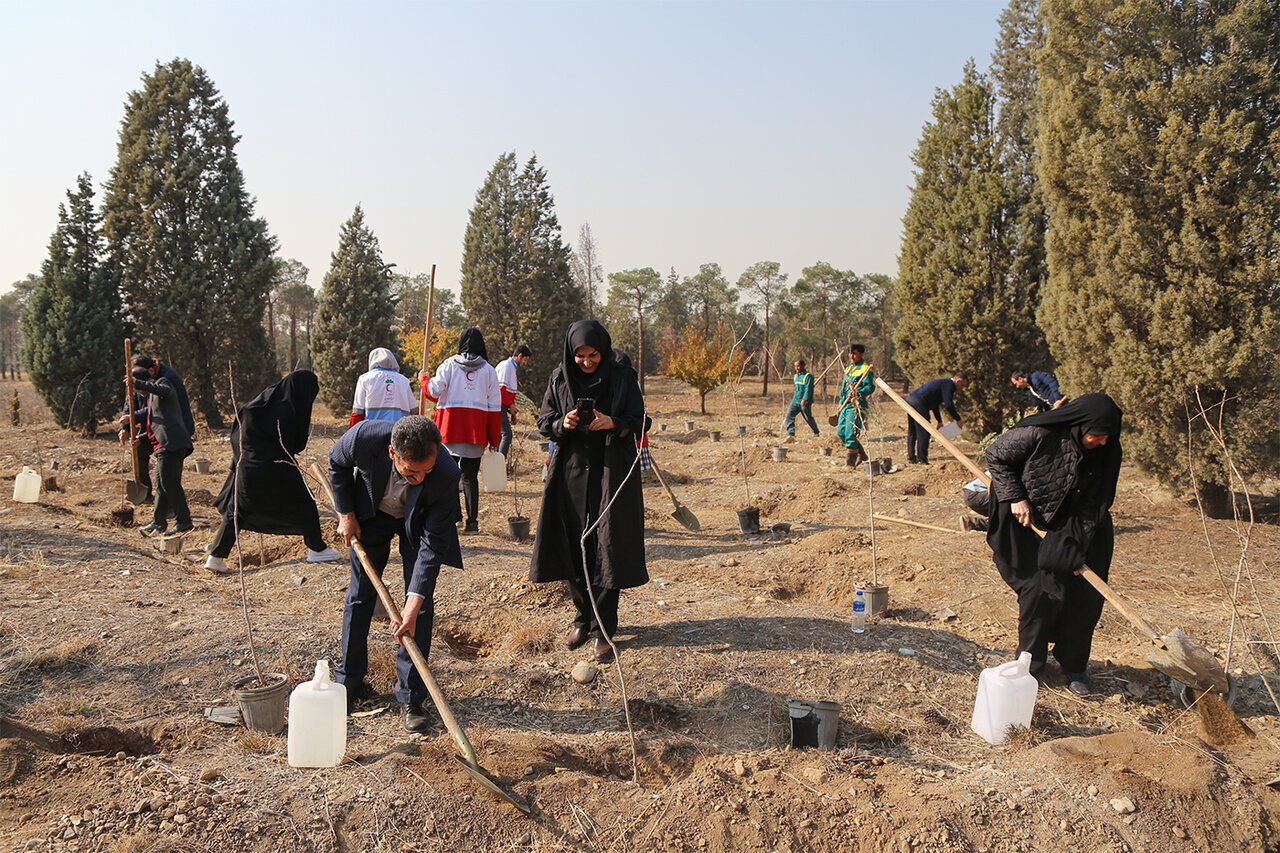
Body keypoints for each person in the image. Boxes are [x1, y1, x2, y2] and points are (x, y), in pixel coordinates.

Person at [328, 415, 463, 732]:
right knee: (360, 596)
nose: (421, 478)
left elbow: (432, 547)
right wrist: (346, 514)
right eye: (412, 472)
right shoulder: (364, 437)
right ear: (393, 454)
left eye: (426, 471)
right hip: (370, 516)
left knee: (421, 606)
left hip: (416, 526)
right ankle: (349, 682)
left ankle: (412, 696)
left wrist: (412, 606)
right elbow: (337, 463)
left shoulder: (444, 473)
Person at [984, 393, 1123, 696]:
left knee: (1085, 594)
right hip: (1029, 520)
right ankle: (1030, 666)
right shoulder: (1040, 432)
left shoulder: (1108, 448)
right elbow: (996, 455)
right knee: (1038, 591)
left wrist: (1076, 540)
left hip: (1081, 524)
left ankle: (1074, 666)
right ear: (1080, 425)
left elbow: (1098, 500)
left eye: (1107, 436)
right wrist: (1015, 497)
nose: (1102, 442)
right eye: (1096, 435)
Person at [530, 321, 648, 663]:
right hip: (570, 473)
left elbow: (641, 421)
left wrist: (614, 423)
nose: (586, 362)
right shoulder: (558, 378)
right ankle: (582, 618)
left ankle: (603, 630)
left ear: (604, 350)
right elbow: (543, 421)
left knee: (606, 547)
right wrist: (560, 424)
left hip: (611, 472)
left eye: (593, 355)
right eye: (579, 355)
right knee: (574, 546)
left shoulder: (623, 377)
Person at [204, 370, 341, 574]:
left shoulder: (254, 406)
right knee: (305, 505)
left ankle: (215, 558)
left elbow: (235, 437)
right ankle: (316, 548)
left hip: (247, 467)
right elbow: (297, 444)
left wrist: (242, 460)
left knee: (238, 511)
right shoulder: (291, 408)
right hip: (278, 466)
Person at [421, 328, 501, 534]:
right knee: (470, 478)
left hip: (449, 430)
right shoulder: (489, 371)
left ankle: (455, 517)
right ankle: (472, 523)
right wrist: (494, 438)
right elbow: (494, 408)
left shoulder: (448, 365)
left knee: (449, 477)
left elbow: (433, 392)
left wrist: (423, 379)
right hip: (475, 432)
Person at [132, 356, 196, 536]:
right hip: (163, 446)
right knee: (161, 485)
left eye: (140, 388)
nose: (140, 393)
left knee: (170, 484)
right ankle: (158, 522)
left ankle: (184, 521)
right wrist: (140, 439)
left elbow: (165, 390)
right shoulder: (152, 397)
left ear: (147, 380)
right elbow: (156, 427)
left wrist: (139, 383)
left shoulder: (164, 383)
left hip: (172, 444)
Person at [904, 373, 968, 465]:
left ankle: (911, 457)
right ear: (958, 381)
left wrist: (939, 421)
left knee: (913, 430)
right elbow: (948, 404)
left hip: (911, 400)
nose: (962, 388)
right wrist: (958, 419)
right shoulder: (949, 385)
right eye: (962, 385)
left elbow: (935, 403)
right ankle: (922, 459)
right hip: (919, 403)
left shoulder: (944, 383)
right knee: (924, 431)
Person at [117, 355, 154, 503]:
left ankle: (167, 499)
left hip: (159, 429)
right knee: (139, 454)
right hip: (145, 429)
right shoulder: (133, 388)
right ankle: (145, 493)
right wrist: (124, 427)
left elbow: (152, 410)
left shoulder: (156, 387)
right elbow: (129, 407)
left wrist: (132, 417)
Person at [349, 347, 415, 427]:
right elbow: (414, 411)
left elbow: (357, 412)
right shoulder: (403, 381)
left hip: (373, 430)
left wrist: (352, 435)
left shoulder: (365, 379)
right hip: (400, 430)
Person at [837, 345, 875, 466]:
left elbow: (870, 387)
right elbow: (843, 388)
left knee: (850, 434)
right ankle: (862, 455)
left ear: (861, 354)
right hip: (845, 405)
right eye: (850, 353)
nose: (851, 356)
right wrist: (840, 403)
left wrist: (858, 392)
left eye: (854, 353)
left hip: (856, 405)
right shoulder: (848, 368)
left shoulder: (865, 369)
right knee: (841, 432)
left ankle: (850, 464)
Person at [496, 345, 532, 459]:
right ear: (520, 356)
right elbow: (500, 390)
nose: (525, 363)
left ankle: (497, 464)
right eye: (525, 360)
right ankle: (499, 465)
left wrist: (512, 412)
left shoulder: (512, 367)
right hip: (497, 406)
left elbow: (509, 392)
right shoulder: (506, 366)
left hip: (502, 406)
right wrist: (510, 406)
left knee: (502, 436)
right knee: (507, 435)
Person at [784, 359, 819, 437]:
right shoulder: (795, 376)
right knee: (789, 415)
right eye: (795, 366)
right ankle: (791, 433)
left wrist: (804, 399)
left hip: (805, 402)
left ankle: (816, 432)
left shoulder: (808, 376)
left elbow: (808, 389)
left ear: (803, 366)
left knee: (808, 417)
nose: (797, 368)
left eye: (799, 366)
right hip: (795, 400)